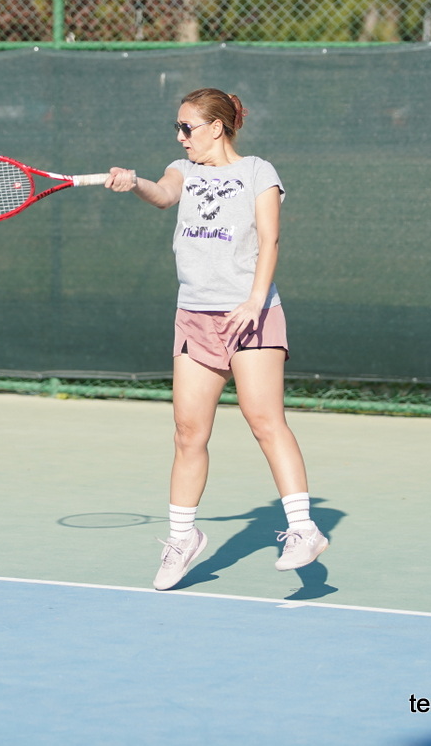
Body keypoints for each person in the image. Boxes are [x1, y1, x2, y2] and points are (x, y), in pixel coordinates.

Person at [105, 88, 328, 591]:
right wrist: (134, 182)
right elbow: (163, 194)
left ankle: (303, 530)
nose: (180, 137)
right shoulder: (183, 170)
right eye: (177, 128)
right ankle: (182, 538)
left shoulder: (258, 172)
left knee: (265, 422)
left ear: (216, 127)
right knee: (188, 433)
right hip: (194, 318)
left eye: (187, 128)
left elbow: (270, 239)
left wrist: (254, 300)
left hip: (251, 317)